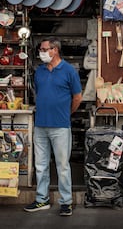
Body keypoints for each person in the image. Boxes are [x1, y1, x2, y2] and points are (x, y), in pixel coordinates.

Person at [24, 37, 82, 216]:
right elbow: (39, 93)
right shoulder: (39, 71)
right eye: (41, 50)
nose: (41, 53)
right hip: (41, 125)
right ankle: (42, 199)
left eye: (44, 49)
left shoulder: (69, 70)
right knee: (41, 165)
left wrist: (66, 113)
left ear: (55, 50)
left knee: (62, 165)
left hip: (60, 126)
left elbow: (77, 97)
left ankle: (66, 202)